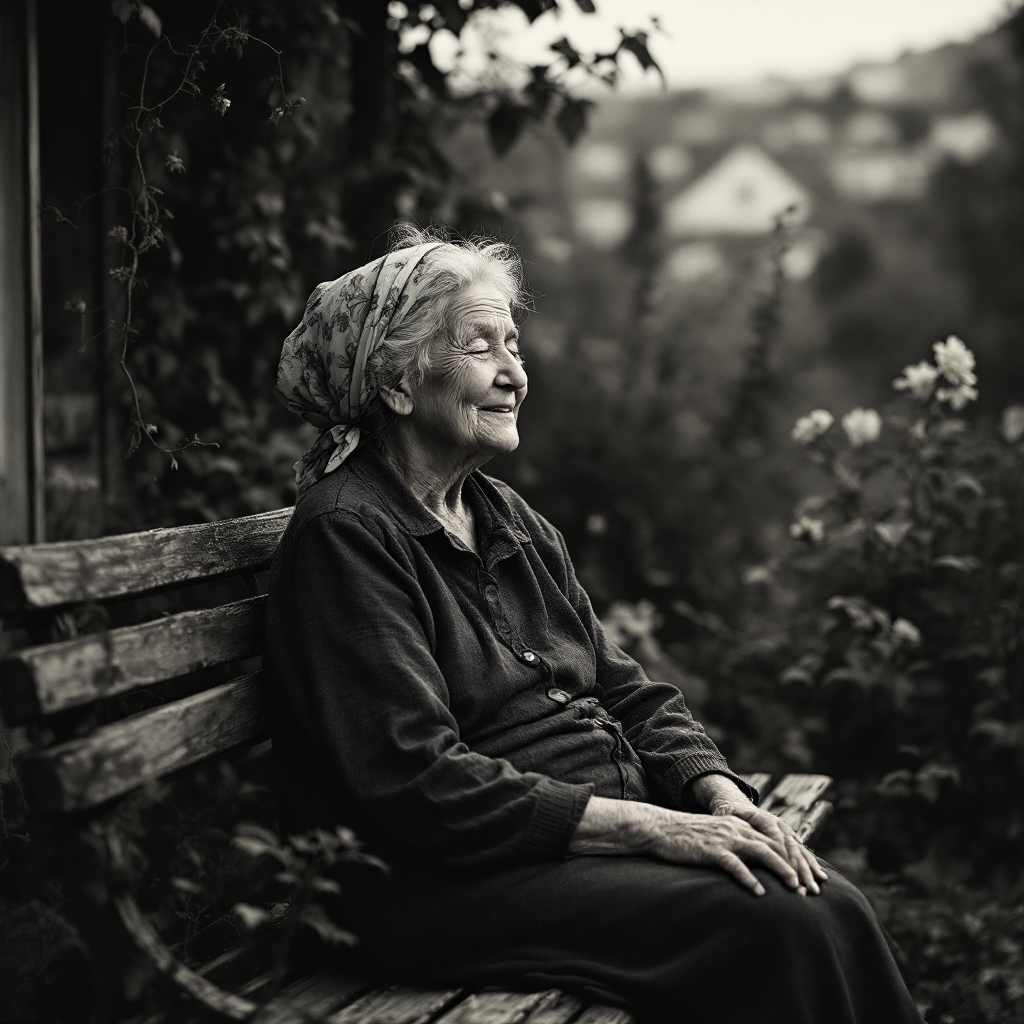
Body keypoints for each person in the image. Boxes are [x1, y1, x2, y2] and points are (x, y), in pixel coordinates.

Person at [264, 226, 922, 1024]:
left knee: (827, 898)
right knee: (774, 922)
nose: (515, 373)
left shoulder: (505, 517)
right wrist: (653, 831)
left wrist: (714, 794)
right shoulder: (348, 533)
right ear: (398, 385)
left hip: (560, 850)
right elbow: (414, 782)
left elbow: (627, 690)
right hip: (437, 879)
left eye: (514, 341)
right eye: (482, 348)